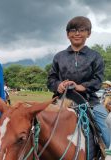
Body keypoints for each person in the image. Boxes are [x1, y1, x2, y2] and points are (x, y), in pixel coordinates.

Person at [47, 16, 110, 148]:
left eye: (81, 30)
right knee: (37, 124)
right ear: (67, 34)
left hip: (89, 101)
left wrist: (81, 86)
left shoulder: (95, 56)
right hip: (61, 101)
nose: (77, 33)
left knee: (107, 125)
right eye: (73, 30)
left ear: (89, 33)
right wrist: (58, 85)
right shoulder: (59, 56)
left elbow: (98, 80)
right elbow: (51, 79)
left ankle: (107, 153)